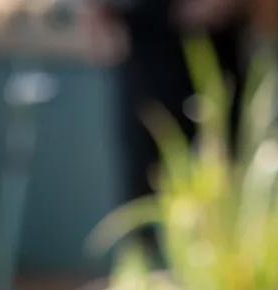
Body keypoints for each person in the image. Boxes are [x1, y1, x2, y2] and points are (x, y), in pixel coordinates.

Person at [91, 0, 250, 200]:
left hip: (209, 56)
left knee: (221, 176)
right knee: (144, 182)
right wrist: (95, 16)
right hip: (143, 56)